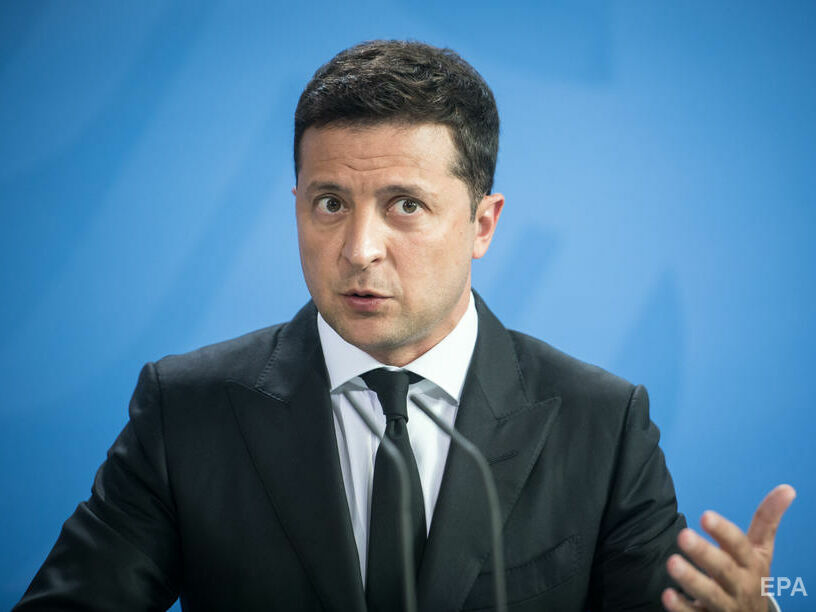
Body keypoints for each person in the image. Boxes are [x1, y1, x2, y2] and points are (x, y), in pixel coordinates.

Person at [15, 40, 794, 612]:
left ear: (482, 224)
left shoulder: (602, 422)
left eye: (405, 205)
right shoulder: (186, 410)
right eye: (330, 204)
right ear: (296, 209)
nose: (359, 248)